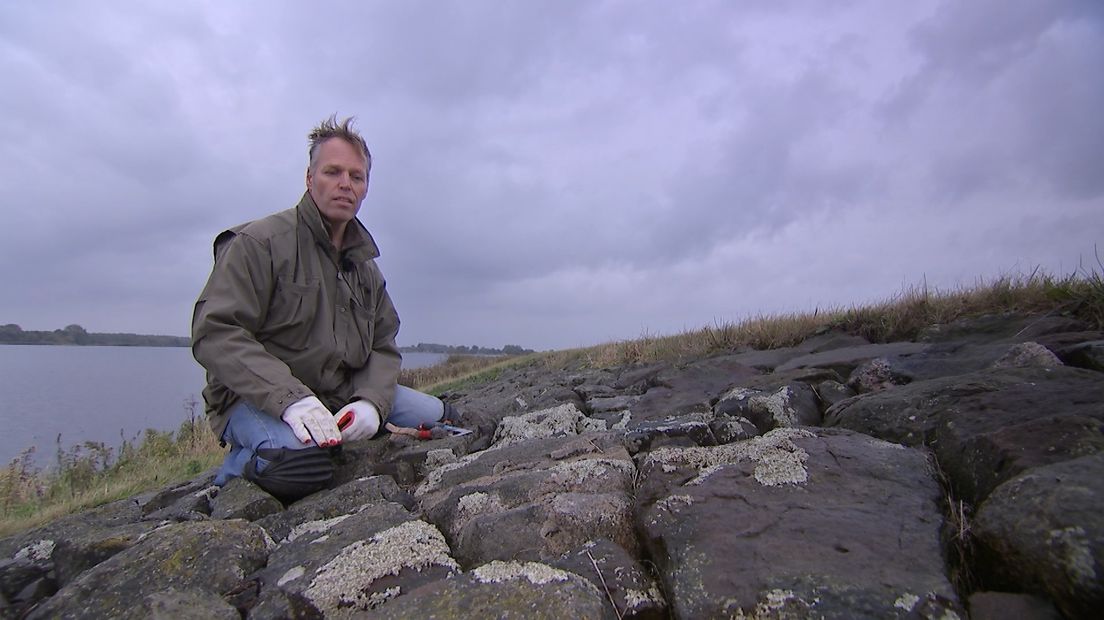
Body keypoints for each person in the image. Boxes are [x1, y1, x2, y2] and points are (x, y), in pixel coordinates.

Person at [191, 116, 447, 501]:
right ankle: (238, 467)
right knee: (302, 466)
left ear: (365, 189)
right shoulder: (258, 244)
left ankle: (339, 425)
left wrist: (370, 405)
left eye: (356, 177)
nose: (345, 184)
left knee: (436, 415)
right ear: (310, 179)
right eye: (333, 172)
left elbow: (383, 345)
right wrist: (291, 400)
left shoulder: (366, 269)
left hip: (336, 395)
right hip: (254, 398)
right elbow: (216, 333)